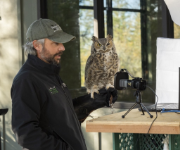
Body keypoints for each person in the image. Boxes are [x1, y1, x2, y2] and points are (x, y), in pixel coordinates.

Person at [11, 18, 117, 150]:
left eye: (61, 43)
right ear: (37, 45)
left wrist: (95, 100)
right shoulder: (26, 80)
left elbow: (62, 117)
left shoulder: (51, 75)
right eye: (55, 43)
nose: (62, 47)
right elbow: (26, 134)